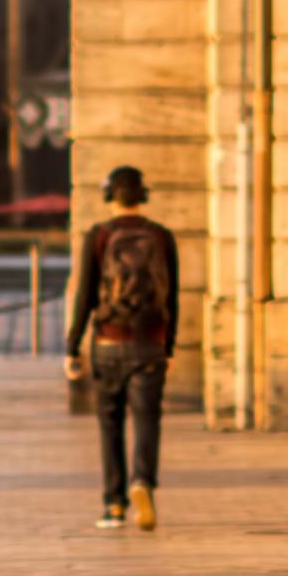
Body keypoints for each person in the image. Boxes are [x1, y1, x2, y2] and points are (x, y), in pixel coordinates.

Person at [64, 163, 180, 529]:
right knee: (147, 419)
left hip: (108, 341)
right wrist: (170, 347)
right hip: (150, 343)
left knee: (110, 422)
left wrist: (72, 347)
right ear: (142, 196)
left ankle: (113, 504)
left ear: (108, 197)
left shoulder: (99, 236)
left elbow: (84, 294)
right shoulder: (161, 236)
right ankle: (142, 481)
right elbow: (172, 297)